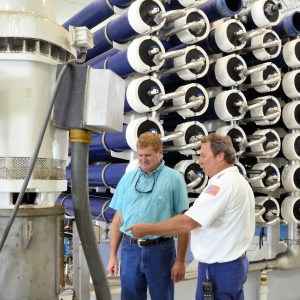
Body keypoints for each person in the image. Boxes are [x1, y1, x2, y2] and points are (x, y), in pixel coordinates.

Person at [126, 133, 255, 300]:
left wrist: (148, 229)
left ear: (220, 156)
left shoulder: (223, 185)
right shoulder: (238, 180)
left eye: (203, 156)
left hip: (219, 269)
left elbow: (187, 223)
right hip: (232, 266)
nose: (199, 161)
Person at [107, 131, 190, 300]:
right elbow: (118, 220)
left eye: (148, 155)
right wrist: (112, 257)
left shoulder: (174, 179)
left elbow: (183, 223)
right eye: (140, 155)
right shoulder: (127, 179)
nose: (143, 159)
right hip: (130, 250)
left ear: (160, 153)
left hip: (160, 250)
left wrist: (180, 260)